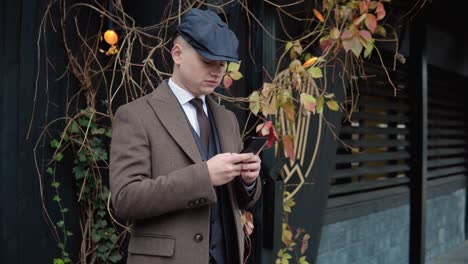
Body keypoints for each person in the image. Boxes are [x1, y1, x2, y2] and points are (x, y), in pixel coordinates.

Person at [109, 8, 262, 264]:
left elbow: (241, 201)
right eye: (207, 61)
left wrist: (248, 181)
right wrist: (205, 176)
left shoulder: (228, 120)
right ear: (177, 54)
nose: (217, 71)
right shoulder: (136, 115)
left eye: (222, 64)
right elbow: (125, 200)